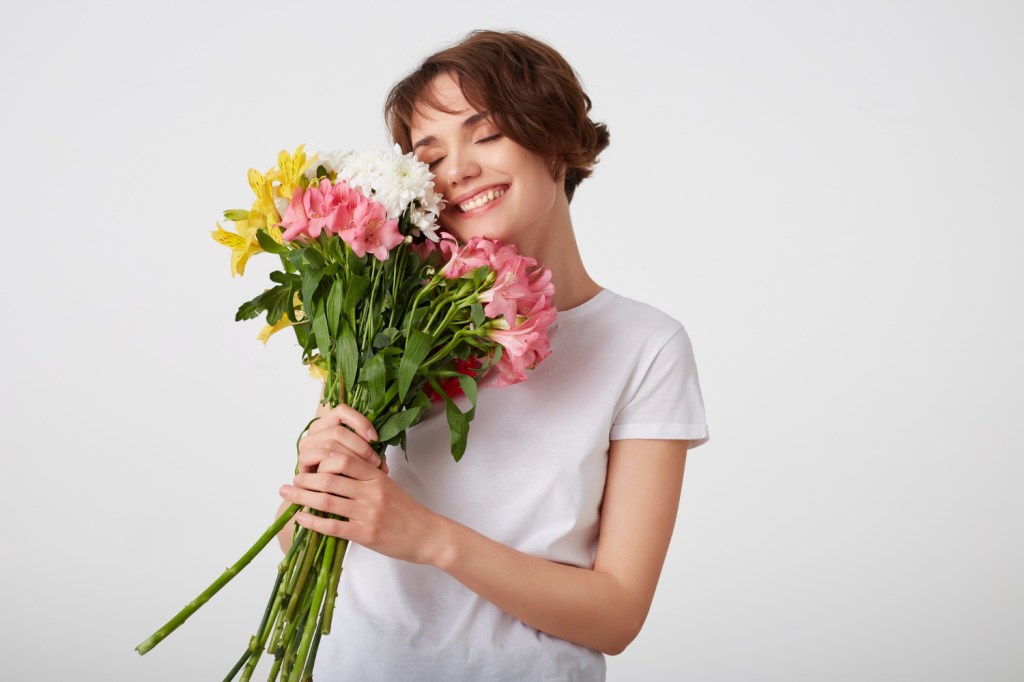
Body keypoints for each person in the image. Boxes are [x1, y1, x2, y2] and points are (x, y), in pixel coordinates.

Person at [274, 30, 709, 681]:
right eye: (431, 154)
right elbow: (301, 535)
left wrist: (431, 539)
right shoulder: (386, 313)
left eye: (486, 134)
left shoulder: (646, 346)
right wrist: (318, 478)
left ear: (555, 141)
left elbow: (617, 614)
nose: (457, 170)